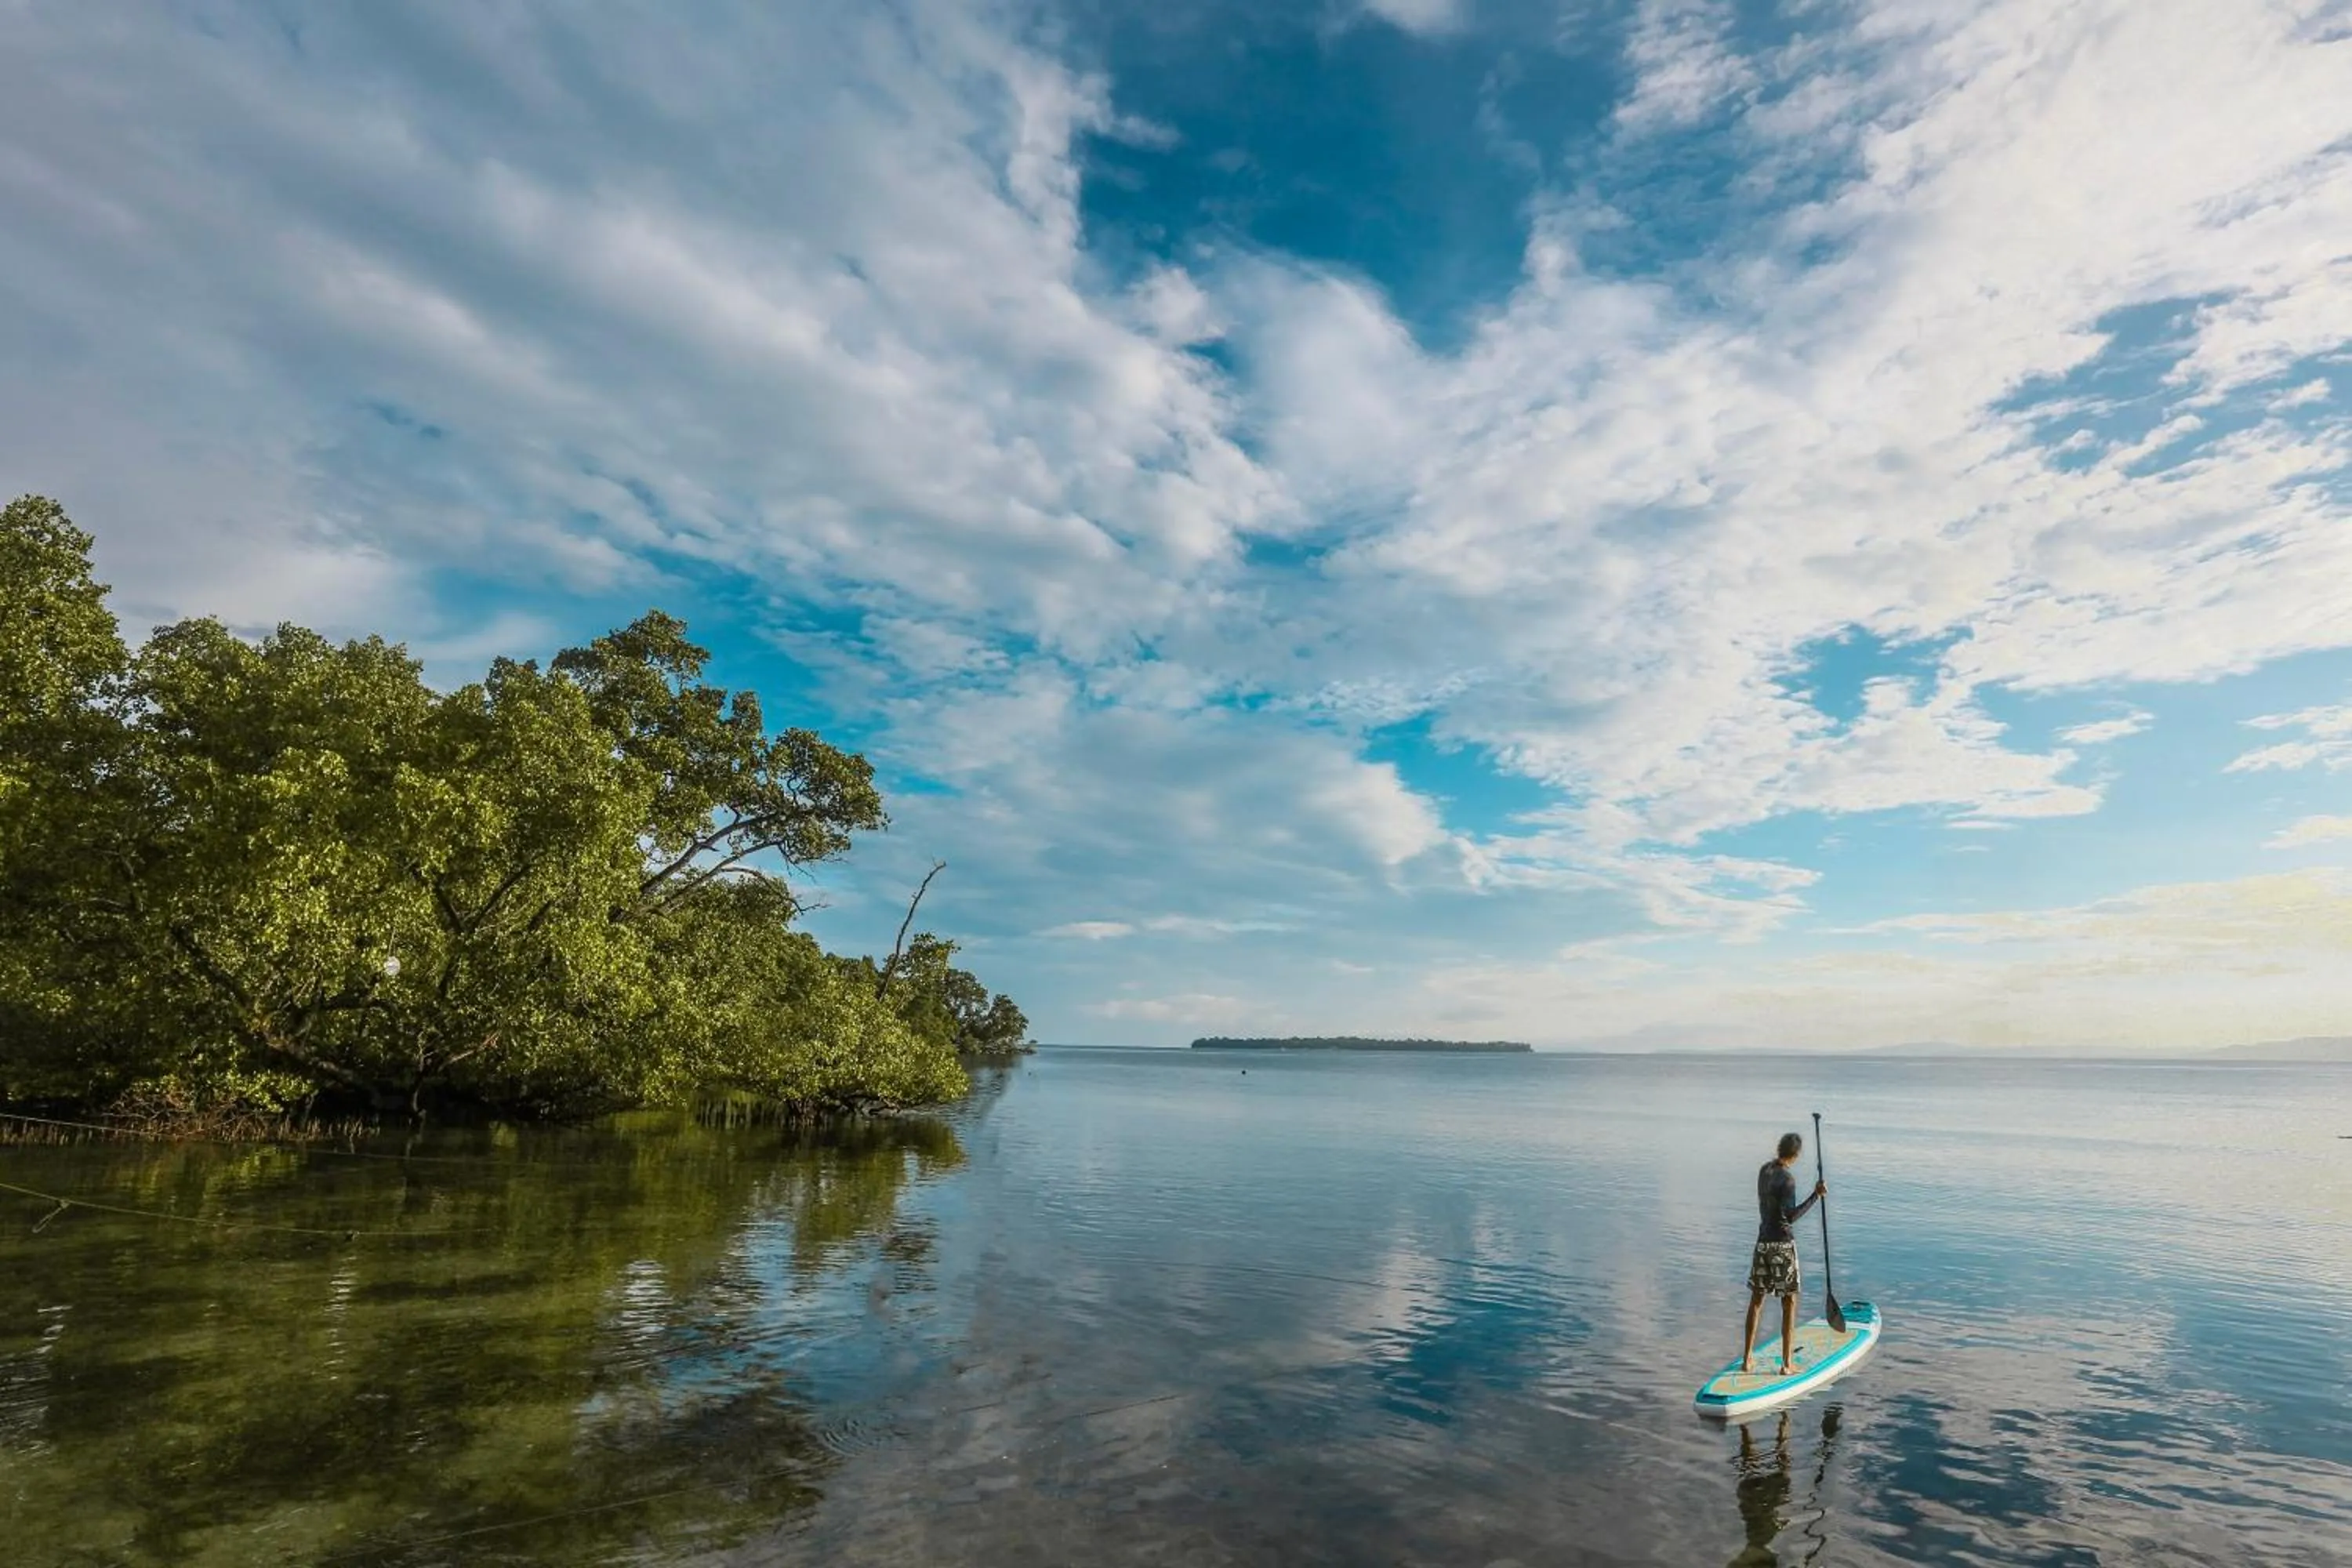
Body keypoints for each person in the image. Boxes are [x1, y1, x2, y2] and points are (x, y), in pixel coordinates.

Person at [1739, 1131, 1825, 1376]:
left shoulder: (1763, 1171)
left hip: (1763, 1242)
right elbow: (1790, 1217)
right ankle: (1787, 1365)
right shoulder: (1788, 1180)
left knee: (1756, 1301)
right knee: (1789, 1302)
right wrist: (1815, 1196)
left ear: (1779, 1149)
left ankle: (1747, 1359)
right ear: (1796, 1155)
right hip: (1782, 1246)